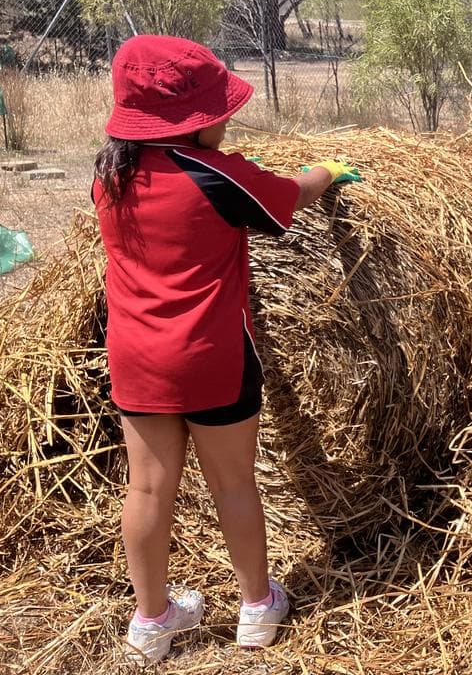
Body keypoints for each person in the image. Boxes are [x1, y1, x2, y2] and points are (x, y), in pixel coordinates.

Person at [92, 34, 360, 664]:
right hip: (212, 357)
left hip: (136, 358)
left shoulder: (109, 177)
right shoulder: (219, 175)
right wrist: (330, 170)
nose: (229, 121)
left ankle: (152, 621)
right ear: (196, 120)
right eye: (221, 113)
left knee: (148, 491)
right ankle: (256, 608)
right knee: (235, 484)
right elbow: (292, 193)